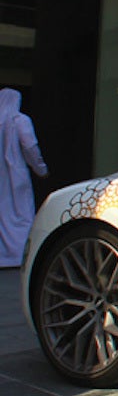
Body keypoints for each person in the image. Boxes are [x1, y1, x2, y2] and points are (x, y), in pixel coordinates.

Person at [0, 88, 48, 268]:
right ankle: (20, 254)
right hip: (16, 175)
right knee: (22, 215)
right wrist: (41, 169)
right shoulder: (20, 121)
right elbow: (30, 148)